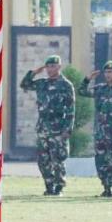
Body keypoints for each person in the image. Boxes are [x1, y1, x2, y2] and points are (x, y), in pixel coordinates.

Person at [20, 55, 75, 196]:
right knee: (43, 160)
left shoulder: (66, 85)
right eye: (48, 66)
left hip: (58, 126)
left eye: (53, 66)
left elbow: (70, 109)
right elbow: (25, 84)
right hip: (43, 127)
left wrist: (67, 129)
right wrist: (33, 73)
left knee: (58, 159)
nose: (50, 69)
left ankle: (59, 187)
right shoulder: (42, 83)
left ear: (59, 67)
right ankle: (49, 185)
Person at [80, 61, 112, 198]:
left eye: (110, 72)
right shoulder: (100, 89)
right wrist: (87, 79)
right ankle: (107, 188)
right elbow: (82, 92)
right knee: (101, 161)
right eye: (106, 72)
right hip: (101, 132)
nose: (107, 75)